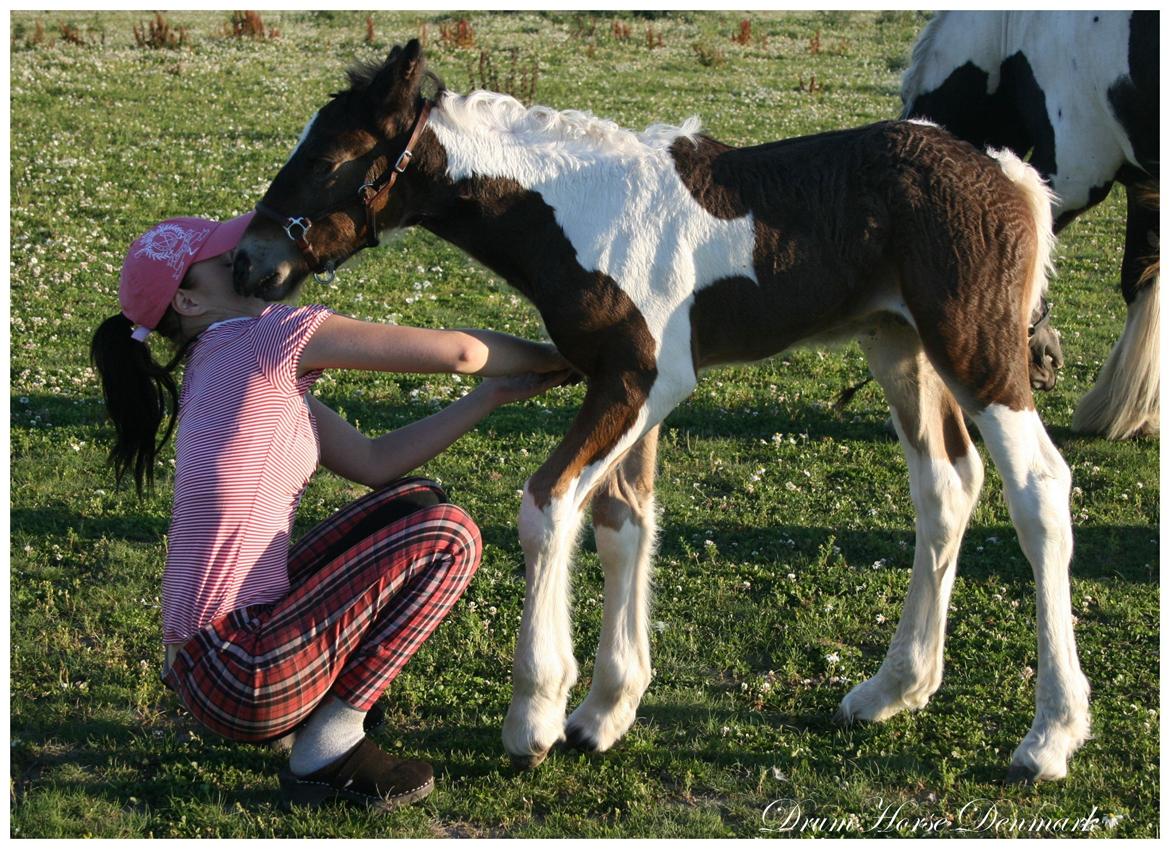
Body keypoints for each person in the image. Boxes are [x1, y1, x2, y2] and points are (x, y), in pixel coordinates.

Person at [90, 212, 573, 813]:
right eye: (224, 259)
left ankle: (314, 714)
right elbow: (462, 352)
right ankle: (328, 747)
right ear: (187, 299)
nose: (247, 258)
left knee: (413, 504)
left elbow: (374, 463)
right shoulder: (268, 336)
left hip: (211, 669)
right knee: (449, 537)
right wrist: (572, 353)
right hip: (240, 671)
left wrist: (492, 396)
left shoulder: (220, 366)